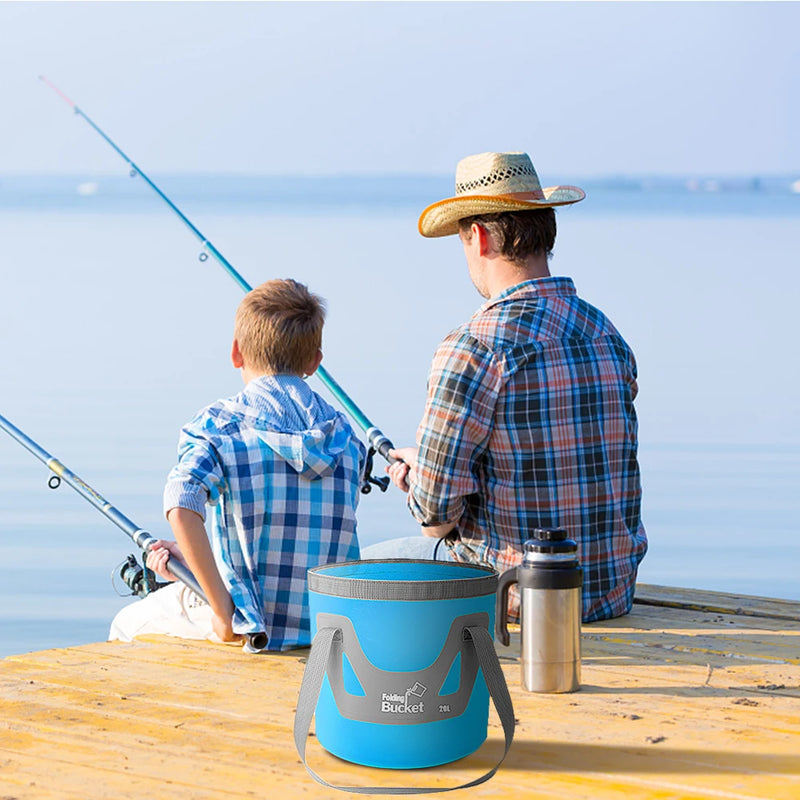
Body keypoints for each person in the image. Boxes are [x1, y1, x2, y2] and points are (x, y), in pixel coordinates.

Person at [383, 151, 647, 623]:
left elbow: (435, 520)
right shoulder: (606, 333)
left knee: (353, 567)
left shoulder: (472, 348)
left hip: (520, 603)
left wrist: (418, 480)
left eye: (462, 241)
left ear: (479, 237)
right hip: (609, 591)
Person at [109, 279, 365, 650]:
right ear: (314, 361)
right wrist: (197, 558)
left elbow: (181, 506)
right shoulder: (346, 439)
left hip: (250, 625)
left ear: (236, 353)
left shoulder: (220, 426)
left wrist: (220, 610)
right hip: (331, 628)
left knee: (125, 624)